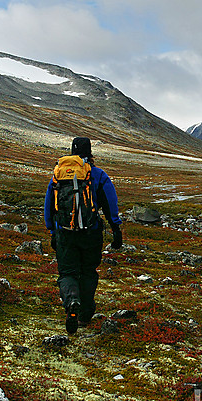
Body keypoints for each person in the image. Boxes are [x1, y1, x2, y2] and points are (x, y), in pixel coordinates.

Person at [44, 137, 122, 335]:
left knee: (67, 273)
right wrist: (116, 229)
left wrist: (53, 231)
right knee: (88, 271)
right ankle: (85, 315)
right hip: (91, 233)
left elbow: (48, 207)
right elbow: (110, 203)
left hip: (64, 232)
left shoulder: (58, 175)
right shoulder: (97, 174)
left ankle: (71, 301)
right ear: (90, 153)